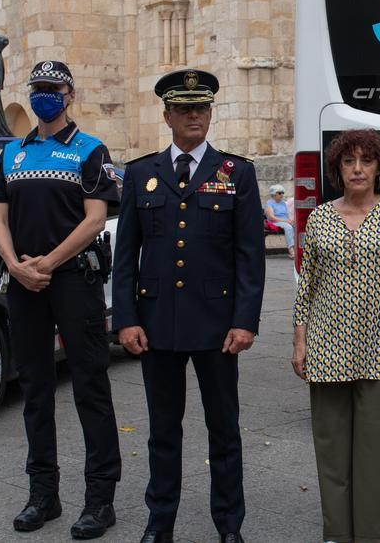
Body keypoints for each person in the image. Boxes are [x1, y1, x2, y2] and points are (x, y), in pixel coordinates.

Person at [112, 68, 265, 543]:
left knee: (224, 432)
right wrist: (126, 320)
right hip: (156, 324)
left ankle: (229, 527)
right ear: (167, 115)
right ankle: (160, 525)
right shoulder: (141, 174)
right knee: (162, 433)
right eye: (184, 109)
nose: (193, 116)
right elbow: (125, 258)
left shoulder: (236, 172)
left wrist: (245, 321)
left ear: (210, 114)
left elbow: (250, 256)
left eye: (201, 108)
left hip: (218, 326)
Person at [0, 61, 122, 539]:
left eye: (53, 89)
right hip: (24, 282)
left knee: (90, 389)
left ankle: (100, 499)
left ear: (70, 95)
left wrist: (48, 264)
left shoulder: (89, 149)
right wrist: (18, 265)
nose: (45, 96)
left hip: (72, 281)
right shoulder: (12, 153)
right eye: (37, 88)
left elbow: (95, 219)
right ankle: (43, 494)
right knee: (35, 391)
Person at [290, 129, 380, 543]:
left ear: (378, 169)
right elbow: (307, 287)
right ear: (337, 168)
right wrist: (299, 342)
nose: (356, 169)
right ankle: (337, 532)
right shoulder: (319, 218)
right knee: (332, 450)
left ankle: (376, 534)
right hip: (328, 346)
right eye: (348, 161)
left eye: (365, 161)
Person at [264, 184, 296, 258]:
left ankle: (299, 249)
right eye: (279, 193)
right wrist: (286, 221)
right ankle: (291, 250)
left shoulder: (283, 203)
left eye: (282, 193)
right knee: (288, 227)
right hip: (275, 222)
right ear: (274, 194)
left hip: (284, 221)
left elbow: (287, 214)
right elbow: (271, 217)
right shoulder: (270, 203)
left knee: (296, 226)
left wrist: (290, 220)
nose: (281, 194)